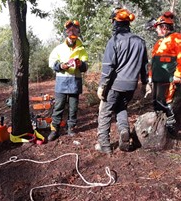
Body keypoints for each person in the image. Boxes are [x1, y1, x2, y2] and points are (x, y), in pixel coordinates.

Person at [96, 8, 149, 154]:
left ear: (115, 22)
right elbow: (144, 65)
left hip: (115, 85)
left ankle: (104, 145)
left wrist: (102, 85)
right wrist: (145, 83)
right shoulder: (140, 41)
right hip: (131, 86)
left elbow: (108, 66)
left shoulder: (114, 41)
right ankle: (124, 133)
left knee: (105, 112)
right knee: (120, 108)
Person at [48, 20, 88, 141]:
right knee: (58, 107)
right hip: (61, 82)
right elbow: (52, 62)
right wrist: (61, 66)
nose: (72, 33)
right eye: (70, 31)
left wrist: (80, 64)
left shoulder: (82, 49)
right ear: (66, 33)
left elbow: (85, 66)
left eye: (75, 31)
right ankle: (54, 130)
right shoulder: (58, 48)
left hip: (75, 82)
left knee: (73, 107)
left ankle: (71, 128)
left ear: (78, 33)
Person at [151, 11, 181, 136]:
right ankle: (161, 128)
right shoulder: (159, 43)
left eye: (157, 28)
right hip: (158, 79)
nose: (156, 31)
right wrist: (149, 77)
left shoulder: (177, 39)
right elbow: (154, 62)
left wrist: (178, 75)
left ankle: (172, 127)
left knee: (169, 103)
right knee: (158, 103)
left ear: (164, 27)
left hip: (170, 79)